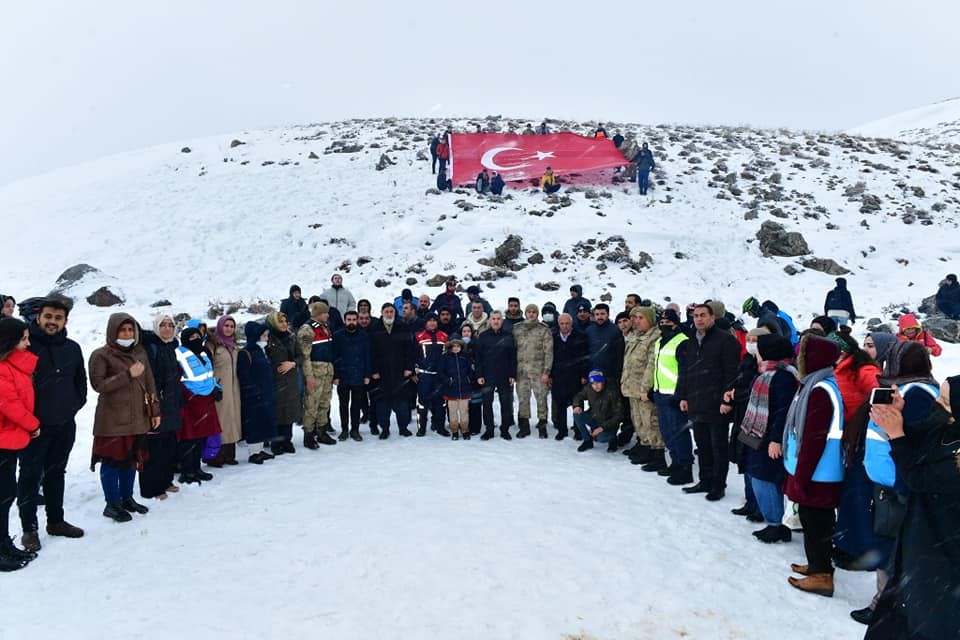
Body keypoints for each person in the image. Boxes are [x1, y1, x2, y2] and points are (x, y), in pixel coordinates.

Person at [865, 377, 960, 640]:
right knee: (893, 621)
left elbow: (919, 478)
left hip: (944, 553)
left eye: (945, 401)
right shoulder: (946, 425)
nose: (937, 404)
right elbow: (919, 436)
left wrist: (896, 436)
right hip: (919, 542)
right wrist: (898, 416)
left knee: (929, 623)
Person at [15, 298, 86, 551]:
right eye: (48, 316)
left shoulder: (72, 348)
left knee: (57, 473)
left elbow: (81, 382)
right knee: (30, 477)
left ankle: (56, 521)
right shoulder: (24, 347)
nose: (52, 321)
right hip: (33, 428)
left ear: (65, 321)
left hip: (64, 425)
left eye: (58, 318)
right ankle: (28, 529)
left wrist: (73, 406)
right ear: (38, 317)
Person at [782, 334, 844, 597]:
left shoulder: (820, 391)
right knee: (816, 521)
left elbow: (814, 440)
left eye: (804, 355)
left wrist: (801, 477)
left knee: (816, 523)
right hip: (819, 471)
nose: (800, 360)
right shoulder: (816, 385)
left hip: (819, 473)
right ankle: (819, 565)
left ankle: (822, 575)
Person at [89, 313, 158, 522]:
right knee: (111, 462)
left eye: (130, 330)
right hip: (112, 420)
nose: (127, 334)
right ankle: (112, 503)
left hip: (137, 417)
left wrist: (155, 411)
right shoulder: (101, 355)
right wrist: (127, 375)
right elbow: (98, 385)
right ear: (113, 332)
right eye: (123, 330)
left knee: (131, 460)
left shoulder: (140, 353)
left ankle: (127, 498)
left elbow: (150, 384)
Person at [831, 328, 883, 573]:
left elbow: (879, 400)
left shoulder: (864, 369)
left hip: (863, 440)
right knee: (849, 494)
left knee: (858, 496)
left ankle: (861, 550)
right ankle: (846, 544)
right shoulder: (841, 367)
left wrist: (861, 422)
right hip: (849, 439)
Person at [737, 335, 798, 543]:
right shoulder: (766, 373)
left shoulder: (783, 378)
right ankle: (773, 521)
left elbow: (783, 412)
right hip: (758, 435)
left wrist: (775, 440)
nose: (756, 351)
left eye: (760, 348)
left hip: (768, 439)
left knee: (766, 478)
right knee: (759, 476)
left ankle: (776, 525)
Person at [677, 304, 741, 501]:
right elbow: (687, 371)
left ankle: (718, 485)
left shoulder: (725, 340)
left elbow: (731, 373)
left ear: (712, 317)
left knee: (718, 446)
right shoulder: (692, 341)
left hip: (716, 404)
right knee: (702, 445)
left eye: (703, 315)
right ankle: (705, 480)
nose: (699, 319)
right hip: (697, 401)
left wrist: (726, 400)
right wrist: (683, 395)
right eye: (695, 316)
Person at [0, 317, 41, 570]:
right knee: (2, 495)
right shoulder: (3, 368)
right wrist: (32, 424)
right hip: (3, 438)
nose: (27, 343)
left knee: (5, 495)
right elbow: (10, 404)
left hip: (9, 438)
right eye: (23, 339)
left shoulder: (13, 366)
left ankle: (4, 543)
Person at [724, 327, 769, 520]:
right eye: (749, 339)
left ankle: (760, 506)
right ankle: (751, 502)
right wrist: (730, 392)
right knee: (744, 459)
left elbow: (756, 392)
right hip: (742, 414)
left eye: (755, 340)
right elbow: (739, 382)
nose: (750, 342)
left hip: (755, 417)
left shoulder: (764, 367)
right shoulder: (748, 360)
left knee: (753, 462)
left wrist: (737, 394)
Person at [138, 315, 183, 502]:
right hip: (156, 403)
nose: (167, 329)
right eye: (163, 325)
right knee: (153, 448)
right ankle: (151, 487)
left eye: (170, 325)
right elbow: (149, 378)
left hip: (171, 403)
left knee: (168, 446)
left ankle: (165, 480)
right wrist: (155, 400)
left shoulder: (171, 346)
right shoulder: (151, 347)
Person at [651, 308, 693, 484]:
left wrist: (682, 394)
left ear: (676, 323)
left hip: (675, 395)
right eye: (661, 322)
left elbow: (685, 371)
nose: (664, 325)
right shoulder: (660, 341)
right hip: (661, 393)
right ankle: (675, 461)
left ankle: (685, 467)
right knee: (667, 432)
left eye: (668, 322)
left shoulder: (682, 341)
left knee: (679, 432)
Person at [175, 327, 223, 483]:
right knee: (189, 438)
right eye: (192, 337)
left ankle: (197, 468)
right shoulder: (179, 354)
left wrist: (216, 388)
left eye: (198, 336)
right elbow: (177, 378)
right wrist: (184, 395)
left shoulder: (203, 354)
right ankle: (186, 470)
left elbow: (209, 375)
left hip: (205, 400)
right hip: (190, 401)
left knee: (201, 437)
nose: (196, 339)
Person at [623, 306, 666, 466]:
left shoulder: (654, 337)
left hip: (644, 388)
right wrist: (624, 381)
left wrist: (645, 388)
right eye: (636, 318)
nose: (637, 321)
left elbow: (651, 366)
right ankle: (644, 444)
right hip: (632, 386)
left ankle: (657, 451)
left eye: (641, 318)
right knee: (638, 419)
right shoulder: (635, 336)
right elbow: (628, 362)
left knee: (650, 421)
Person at [369, 303, 415, 438]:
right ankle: (384, 428)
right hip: (382, 372)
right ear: (382, 312)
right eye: (386, 311)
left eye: (391, 311)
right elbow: (371, 351)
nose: (389, 314)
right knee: (383, 403)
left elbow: (409, 350)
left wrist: (408, 368)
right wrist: (374, 370)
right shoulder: (375, 328)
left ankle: (403, 427)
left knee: (402, 402)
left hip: (400, 370)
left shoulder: (402, 327)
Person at [297, 301, 337, 448]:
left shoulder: (325, 327)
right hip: (314, 372)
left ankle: (322, 431)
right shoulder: (307, 330)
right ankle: (308, 434)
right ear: (318, 314)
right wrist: (309, 377)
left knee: (324, 403)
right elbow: (304, 356)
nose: (327, 315)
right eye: (325, 312)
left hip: (327, 371)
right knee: (311, 405)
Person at [237, 322, 277, 464]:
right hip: (253, 396)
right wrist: (254, 391)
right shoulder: (245, 353)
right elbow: (244, 376)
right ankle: (253, 452)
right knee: (254, 423)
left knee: (263, 422)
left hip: (265, 393)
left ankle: (259, 449)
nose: (266, 338)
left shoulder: (261, 351)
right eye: (264, 336)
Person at [513, 304, 553, 439]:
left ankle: (542, 425)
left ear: (537, 314)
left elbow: (549, 352)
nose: (531, 314)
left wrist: (546, 372)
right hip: (522, 372)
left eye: (534, 312)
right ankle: (524, 427)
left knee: (541, 399)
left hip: (539, 371)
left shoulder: (544, 330)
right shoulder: (517, 329)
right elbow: (512, 350)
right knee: (523, 399)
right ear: (525, 313)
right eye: (529, 312)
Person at [476, 311, 517, 440]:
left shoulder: (508, 336)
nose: (496, 321)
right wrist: (479, 374)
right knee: (487, 403)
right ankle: (489, 429)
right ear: (489, 321)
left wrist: (512, 374)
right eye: (493, 319)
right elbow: (478, 358)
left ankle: (505, 429)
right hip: (488, 375)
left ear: (502, 321)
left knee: (505, 403)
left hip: (504, 375)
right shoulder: (483, 336)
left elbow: (513, 357)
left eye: (498, 319)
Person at [264, 311, 301, 455]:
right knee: (277, 412)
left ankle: (287, 440)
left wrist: (292, 363)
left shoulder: (292, 337)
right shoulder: (268, 339)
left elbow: (301, 357)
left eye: (285, 321)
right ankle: (276, 442)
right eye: (280, 321)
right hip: (275, 380)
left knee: (289, 411)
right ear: (274, 323)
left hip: (291, 380)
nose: (284, 324)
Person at [549, 313, 590, 440]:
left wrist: (584, 374)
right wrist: (550, 374)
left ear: (571, 324)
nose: (565, 326)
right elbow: (550, 358)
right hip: (559, 376)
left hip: (575, 376)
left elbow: (585, 357)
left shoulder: (580, 337)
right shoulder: (554, 337)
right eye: (562, 323)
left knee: (577, 403)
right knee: (560, 404)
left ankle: (578, 429)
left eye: (567, 323)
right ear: (558, 324)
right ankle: (562, 430)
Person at [333, 310, 371, 441]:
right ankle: (344, 429)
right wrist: (335, 376)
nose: (351, 322)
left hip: (358, 375)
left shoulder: (363, 336)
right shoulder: (337, 336)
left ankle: (355, 430)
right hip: (343, 375)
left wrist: (367, 375)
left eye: (354, 320)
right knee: (343, 404)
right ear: (344, 321)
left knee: (356, 404)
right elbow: (335, 356)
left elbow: (367, 356)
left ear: (357, 321)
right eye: (349, 320)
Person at [207, 316, 241, 466]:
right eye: (226, 325)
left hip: (233, 388)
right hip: (219, 389)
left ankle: (229, 455)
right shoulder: (212, 345)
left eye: (231, 326)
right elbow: (207, 368)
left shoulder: (234, 346)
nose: (229, 328)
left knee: (232, 420)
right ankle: (215, 456)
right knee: (220, 422)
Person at [572, 370, 623, 452]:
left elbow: (619, 415)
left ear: (603, 382)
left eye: (598, 382)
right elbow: (578, 396)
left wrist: (602, 428)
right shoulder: (589, 388)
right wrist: (577, 406)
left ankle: (613, 440)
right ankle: (587, 441)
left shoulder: (612, 391)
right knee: (577, 414)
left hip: (608, 423)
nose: (596, 386)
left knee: (601, 438)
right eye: (593, 383)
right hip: (594, 417)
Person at [441, 335, 476, 440]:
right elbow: (441, 372)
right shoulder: (445, 358)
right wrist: (448, 381)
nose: (456, 348)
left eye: (458, 346)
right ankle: (455, 430)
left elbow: (472, 370)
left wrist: (469, 379)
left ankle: (465, 430)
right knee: (452, 413)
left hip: (464, 389)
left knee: (464, 412)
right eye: (453, 346)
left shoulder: (466, 357)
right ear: (450, 347)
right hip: (451, 390)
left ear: (461, 346)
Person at [608, 310, 635, 448]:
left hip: (633, 382)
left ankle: (627, 436)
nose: (622, 324)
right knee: (620, 410)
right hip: (619, 380)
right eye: (619, 322)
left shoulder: (636, 338)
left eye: (625, 321)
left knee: (632, 413)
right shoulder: (616, 339)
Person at [457, 323, 484, 435]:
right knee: (464, 406)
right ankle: (465, 425)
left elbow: (480, 361)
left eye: (468, 331)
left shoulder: (477, 345)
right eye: (464, 331)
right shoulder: (457, 346)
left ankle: (476, 427)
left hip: (475, 379)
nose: (466, 333)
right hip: (463, 380)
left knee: (475, 405)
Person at [585, 303, 618, 373]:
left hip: (610, 373)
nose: (599, 317)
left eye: (602, 314)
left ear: (608, 315)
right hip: (592, 372)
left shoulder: (616, 330)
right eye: (597, 314)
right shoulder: (589, 330)